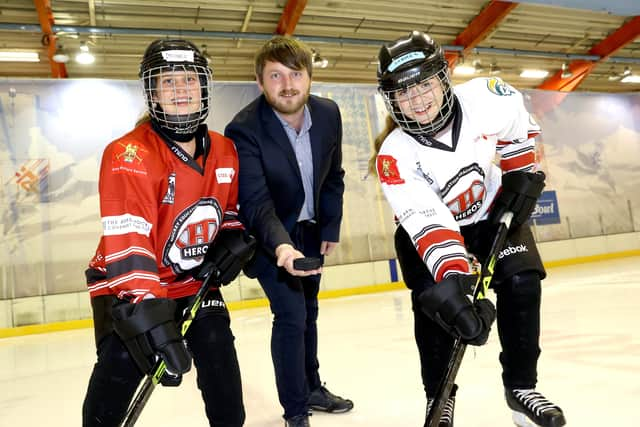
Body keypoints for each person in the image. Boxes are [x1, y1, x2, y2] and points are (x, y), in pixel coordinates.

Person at [370, 31, 566, 427]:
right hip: (429, 237)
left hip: (494, 210)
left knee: (523, 282)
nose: (418, 100)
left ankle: (521, 388)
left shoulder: (487, 98)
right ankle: (438, 399)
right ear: (391, 100)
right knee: (436, 309)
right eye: (404, 93)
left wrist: (518, 176)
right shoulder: (395, 155)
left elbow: (519, 129)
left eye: (424, 84)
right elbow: (429, 223)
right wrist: (457, 282)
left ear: (443, 78)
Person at [82, 39, 255, 427]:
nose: (180, 89)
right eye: (168, 81)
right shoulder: (128, 152)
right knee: (116, 382)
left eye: (189, 80)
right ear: (153, 93)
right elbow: (128, 239)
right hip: (127, 287)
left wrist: (233, 236)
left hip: (193, 282)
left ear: (204, 88)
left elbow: (225, 210)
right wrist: (150, 315)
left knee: (224, 381)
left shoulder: (226, 150)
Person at [224, 36, 352, 427]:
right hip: (268, 238)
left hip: (312, 232)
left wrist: (329, 223)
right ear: (261, 82)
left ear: (309, 78)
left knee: (309, 311)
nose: (288, 84)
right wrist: (281, 247)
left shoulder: (329, 114)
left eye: (296, 74)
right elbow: (257, 203)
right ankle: (296, 410)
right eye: (275, 75)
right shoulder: (243, 129)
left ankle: (312, 386)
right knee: (292, 314)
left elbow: (334, 176)